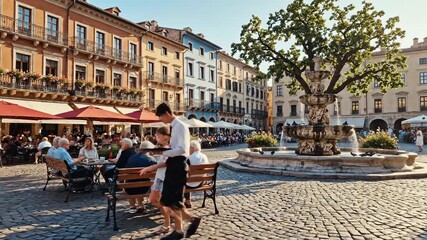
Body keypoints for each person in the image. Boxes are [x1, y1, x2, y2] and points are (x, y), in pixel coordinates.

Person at [154, 103, 201, 240]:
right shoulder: (174, 127)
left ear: (167, 113)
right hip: (174, 165)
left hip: (178, 165)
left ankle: (180, 229)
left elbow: (181, 149)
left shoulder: (180, 126)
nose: (160, 120)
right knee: (170, 200)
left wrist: (163, 152)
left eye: (161, 117)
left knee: (174, 200)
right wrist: (164, 151)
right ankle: (186, 224)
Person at [139, 126, 172, 235]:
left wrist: (149, 168)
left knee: (163, 201)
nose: (156, 137)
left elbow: (165, 163)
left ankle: (167, 224)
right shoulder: (163, 147)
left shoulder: (170, 148)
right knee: (153, 199)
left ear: (164, 136)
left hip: (165, 178)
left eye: (157, 135)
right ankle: (171, 214)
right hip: (159, 177)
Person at [124, 141, 157, 213]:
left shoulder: (131, 158)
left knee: (132, 182)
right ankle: (141, 205)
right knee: (142, 181)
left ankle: (133, 206)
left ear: (140, 149)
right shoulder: (152, 159)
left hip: (129, 188)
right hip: (145, 188)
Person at [184, 140, 209, 208]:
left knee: (182, 180)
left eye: (189, 148)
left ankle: (188, 201)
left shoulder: (189, 158)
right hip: (202, 182)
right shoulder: (204, 156)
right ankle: (188, 201)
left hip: (190, 183)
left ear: (192, 148)